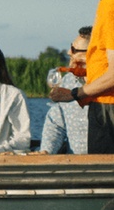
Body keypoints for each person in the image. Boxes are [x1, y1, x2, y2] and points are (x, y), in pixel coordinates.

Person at [50, 0, 114, 154]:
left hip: (108, 108)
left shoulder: (112, 7)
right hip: (101, 104)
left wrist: (75, 93)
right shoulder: (105, 4)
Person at [35, 26, 91, 155]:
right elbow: (55, 123)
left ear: (94, 52)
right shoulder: (68, 81)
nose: (69, 52)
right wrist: (46, 151)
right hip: (75, 165)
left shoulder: (108, 84)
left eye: (75, 50)